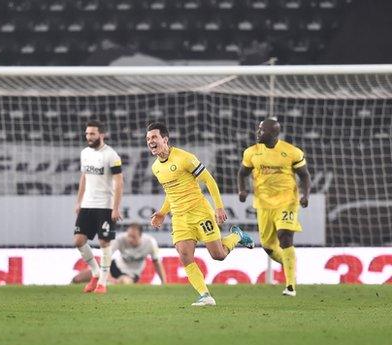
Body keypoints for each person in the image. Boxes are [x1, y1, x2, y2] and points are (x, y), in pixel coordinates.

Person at [146, 121, 254, 306]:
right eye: (148, 139)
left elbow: (209, 181)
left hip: (200, 212)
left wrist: (219, 207)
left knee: (218, 255)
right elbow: (171, 193)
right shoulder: (156, 167)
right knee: (184, 254)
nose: (150, 141)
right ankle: (205, 295)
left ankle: (237, 235)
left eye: (154, 137)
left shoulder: (184, 158)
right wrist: (163, 213)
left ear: (165, 139)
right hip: (180, 218)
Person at [237, 118, 311, 297]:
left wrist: (305, 195)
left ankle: (290, 286)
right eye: (258, 130)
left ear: (273, 134)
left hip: (287, 201)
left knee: (284, 236)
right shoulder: (251, 152)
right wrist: (242, 190)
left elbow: (305, 176)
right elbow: (242, 173)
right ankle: (290, 263)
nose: (258, 133)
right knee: (268, 247)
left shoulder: (292, 152)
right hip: (263, 204)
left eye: (262, 131)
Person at [74, 120, 123, 294]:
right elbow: (83, 178)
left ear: (101, 135)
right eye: (87, 133)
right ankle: (95, 272)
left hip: (105, 206)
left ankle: (102, 282)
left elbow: (119, 182)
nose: (89, 136)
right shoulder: (84, 153)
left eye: (92, 133)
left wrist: (116, 207)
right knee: (78, 241)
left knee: (104, 242)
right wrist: (79, 201)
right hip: (87, 204)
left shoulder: (111, 155)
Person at [72, 223, 167, 285]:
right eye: (129, 235)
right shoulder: (120, 239)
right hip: (114, 266)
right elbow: (106, 255)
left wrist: (164, 282)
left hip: (131, 274)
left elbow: (157, 263)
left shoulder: (150, 242)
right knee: (78, 278)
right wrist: (107, 275)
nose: (130, 239)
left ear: (140, 236)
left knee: (125, 282)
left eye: (133, 237)